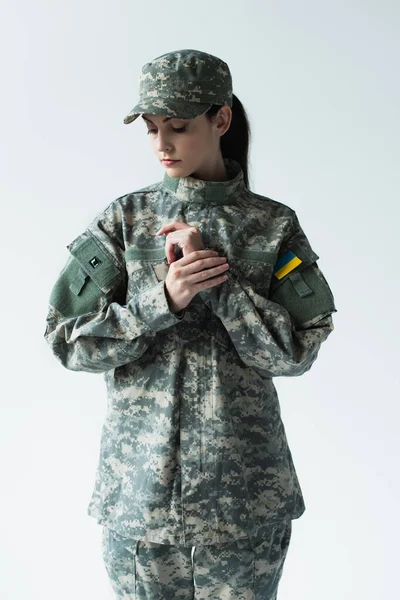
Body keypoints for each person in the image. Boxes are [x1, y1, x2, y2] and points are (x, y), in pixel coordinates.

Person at [44, 48, 337, 599]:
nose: (162, 144)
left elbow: (296, 353)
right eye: (152, 128)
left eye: (177, 126)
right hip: (140, 501)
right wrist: (161, 301)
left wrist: (221, 286)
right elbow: (66, 342)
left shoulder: (272, 226)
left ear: (220, 119)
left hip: (244, 502)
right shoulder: (124, 221)